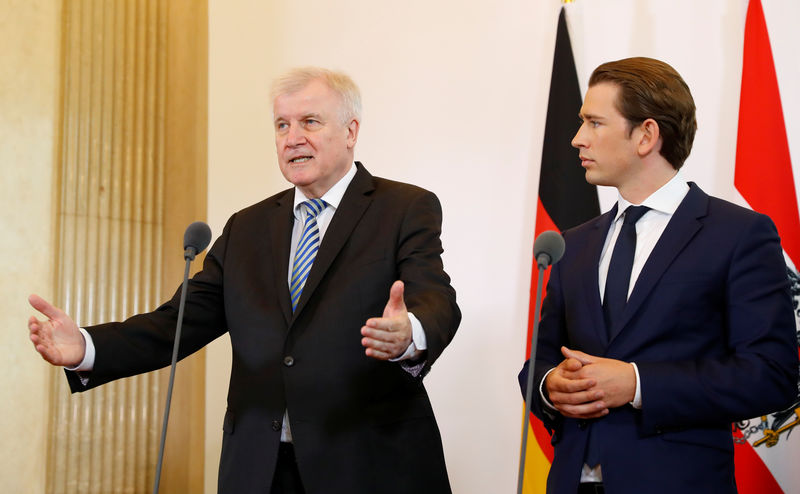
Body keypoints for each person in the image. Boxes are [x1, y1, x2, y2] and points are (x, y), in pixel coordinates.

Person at [28, 67, 461, 494]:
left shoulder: (404, 207)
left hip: (368, 465)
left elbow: (436, 299)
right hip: (260, 469)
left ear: (350, 131)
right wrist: (86, 347)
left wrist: (409, 335)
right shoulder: (247, 228)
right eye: (282, 125)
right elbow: (177, 322)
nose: (293, 138)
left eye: (310, 121)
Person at [518, 57, 798, 494]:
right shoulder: (571, 244)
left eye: (594, 123)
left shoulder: (739, 234)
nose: (576, 139)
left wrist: (637, 383)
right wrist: (551, 384)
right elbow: (540, 361)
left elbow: (770, 375)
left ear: (646, 135)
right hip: (573, 480)